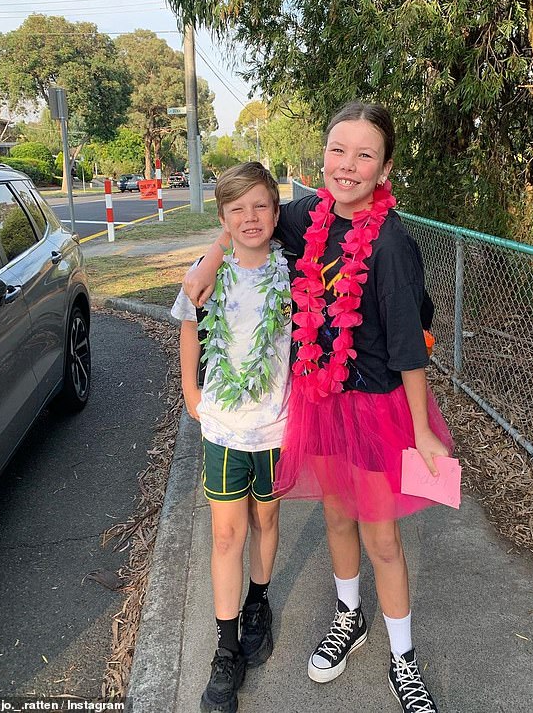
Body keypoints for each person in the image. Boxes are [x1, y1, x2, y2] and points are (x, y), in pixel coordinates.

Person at [184, 103, 453, 713]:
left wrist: (421, 430)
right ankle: (348, 616)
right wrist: (210, 257)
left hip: (379, 403)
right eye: (338, 150)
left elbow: (411, 347)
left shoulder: (391, 244)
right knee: (336, 520)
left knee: (381, 537)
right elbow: (247, 222)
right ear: (323, 155)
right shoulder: (306, 215)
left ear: (384, 170)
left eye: (365, 155)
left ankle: (403, 661)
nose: (348, 165)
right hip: (320, 399)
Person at [171, 161, 292, 713]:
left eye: (260, 206)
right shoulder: (207, 271)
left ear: (276, 211)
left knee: (265, 519)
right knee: (226, 534)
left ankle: (258, 602)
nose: (250, 218)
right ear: (222, 218)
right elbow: (190, 326)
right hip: (223, 425)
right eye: (236, 209)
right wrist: (191, 393)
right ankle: (225, 648)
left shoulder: (292, 273)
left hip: (275, 425)